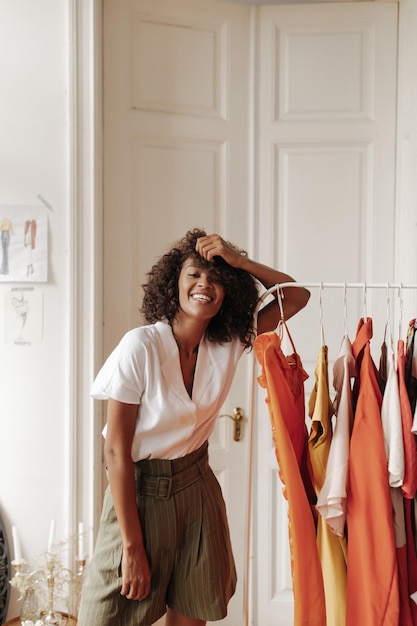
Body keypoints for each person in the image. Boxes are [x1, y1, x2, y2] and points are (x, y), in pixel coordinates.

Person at [77, 229, 310, 626]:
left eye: (217, 278)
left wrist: (239, 261)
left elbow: (295, 296)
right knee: (102, 618)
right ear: (174, 285)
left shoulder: (230, 341)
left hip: (197, 489)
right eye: (194, 275)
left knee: (191, 616)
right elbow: (115, 451)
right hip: (139, 493)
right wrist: (132, 548)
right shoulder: (140, 346)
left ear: (229, 292)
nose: (205, 284)